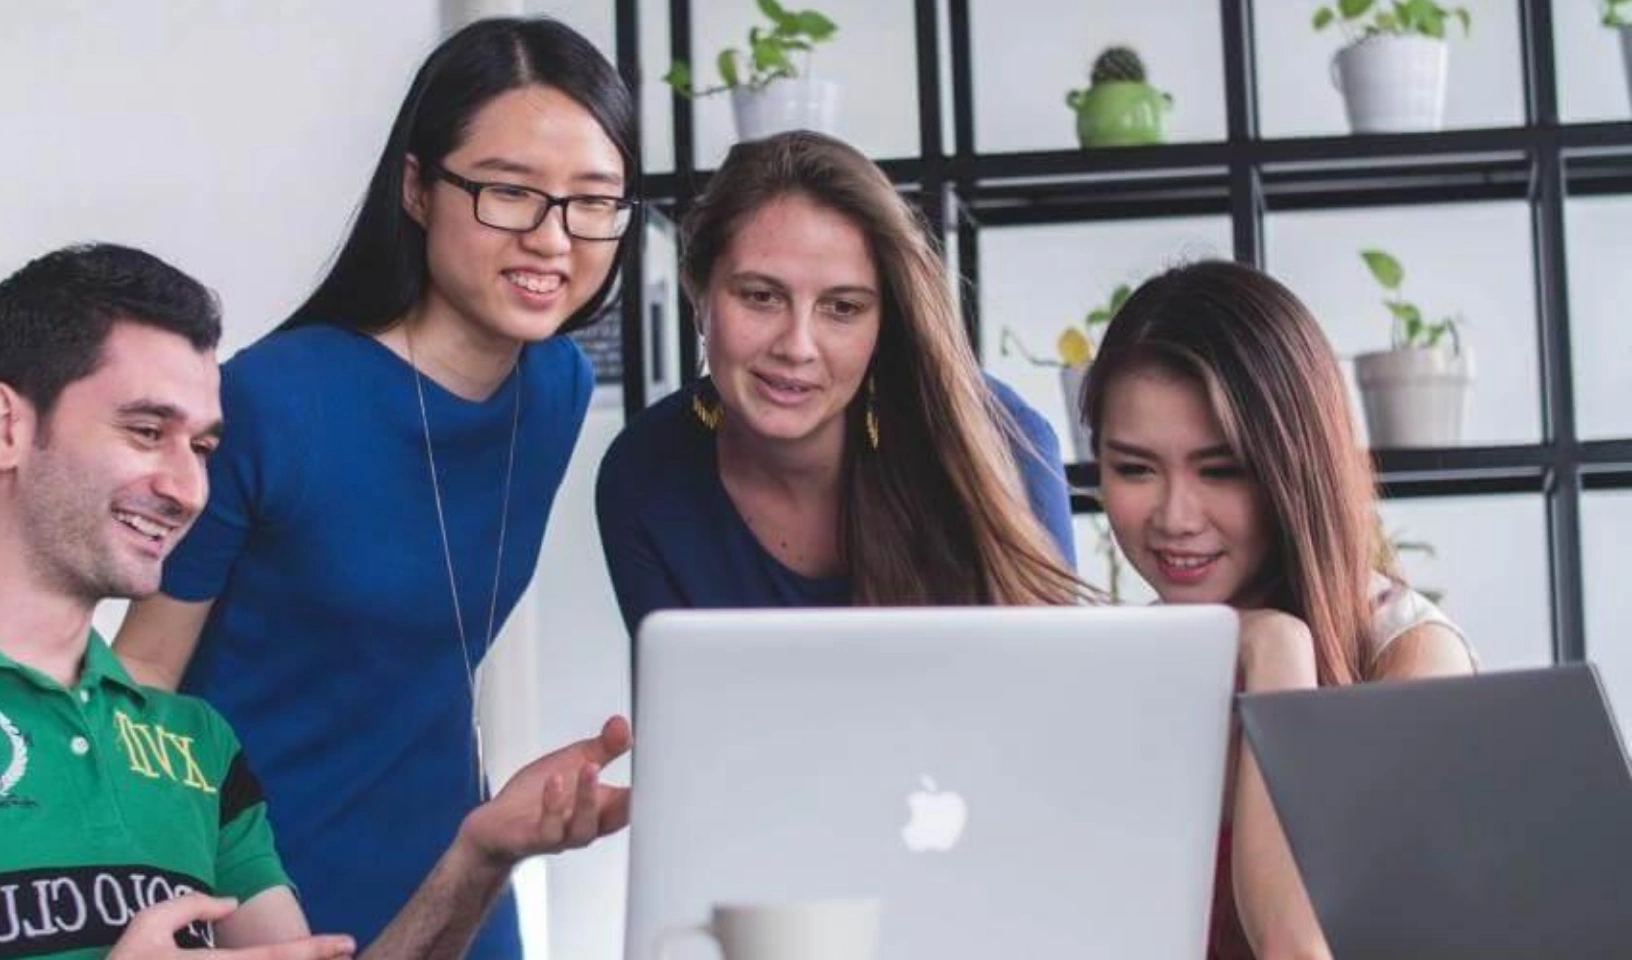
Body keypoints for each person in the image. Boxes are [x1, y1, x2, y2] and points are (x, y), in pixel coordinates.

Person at [0, 244, 630, 960]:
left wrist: (477, 857)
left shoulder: (197, 746)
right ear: (6, 426)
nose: (187, 486)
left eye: (202, 446)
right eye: (147, 431)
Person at [111, 18, 636, 958]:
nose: (553, 238)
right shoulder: (274, 401)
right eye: (510, 192)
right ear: (417, 188)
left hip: (460, 883)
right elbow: (142, 679)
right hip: (255, 892)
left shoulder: (555, 388)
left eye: (591, 201)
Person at [1080, 260, 1477, 960]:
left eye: (1222, 470)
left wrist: (1278, 654)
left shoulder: (1409, 656)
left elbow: (1298, 949)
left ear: (1295, 466)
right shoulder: (1130, 662)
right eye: (1135, 469)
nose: (1175, 517)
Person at [596, 131, 1086, 633]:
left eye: (843, 308)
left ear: (884, 321)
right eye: (761, 296)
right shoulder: (643, 475)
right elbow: (684, 704)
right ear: (698, 292)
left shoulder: (1000, 437)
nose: (797, 346)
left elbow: (1052, 692)